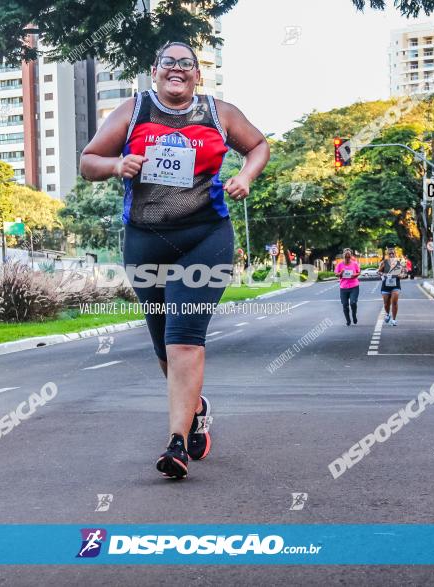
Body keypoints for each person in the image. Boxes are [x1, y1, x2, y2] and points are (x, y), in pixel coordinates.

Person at [79, 41, 270, 480]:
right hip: (146, 241)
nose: (178, 69)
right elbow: (89, 160)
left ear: (198, 75)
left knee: (185, 337)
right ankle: (196, 407)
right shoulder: (133, 110)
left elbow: (258, 145)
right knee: (163, 342)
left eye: (187, 64)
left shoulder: (221, 113)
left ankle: (176, 444)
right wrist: (117, 166)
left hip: (206, 237)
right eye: (170, 63)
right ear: (155, 70)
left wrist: (244, 175)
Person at [334, 248, 360, 326]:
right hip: (343, 287)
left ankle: (354, 315)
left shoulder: (354, 264)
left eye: (349, 257)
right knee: (345, 304)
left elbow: (358, 272)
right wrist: (340, 273)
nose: (347, 258)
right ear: (343, 257)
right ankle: (348, 320)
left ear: (351, 256)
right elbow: (336, 274)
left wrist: (354, 275)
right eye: (346, 257)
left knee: (353, 302)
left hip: (354, 286)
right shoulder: (340, 264)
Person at [378, 247, 404, 326]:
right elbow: (379, 272)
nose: (392, 255)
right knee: (386, 303)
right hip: (386, 286)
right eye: (390, 254)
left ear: (395, 254)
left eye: (393, 253)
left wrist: (400, 275)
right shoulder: (384, 262)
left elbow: (403, 273)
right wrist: (384, 274)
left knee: (394, 302)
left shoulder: (398, 263)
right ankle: (387, 314)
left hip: (395, 285)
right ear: (388, 255)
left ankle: (394, 319)